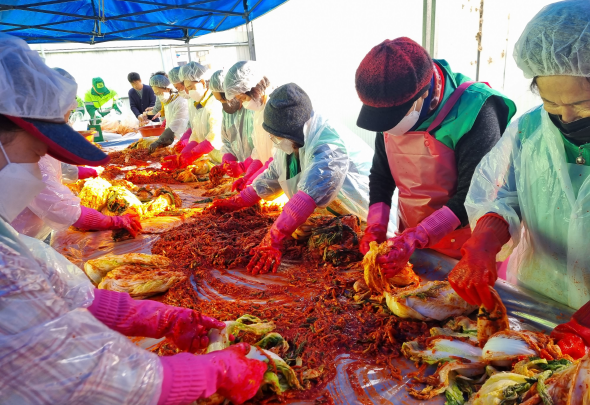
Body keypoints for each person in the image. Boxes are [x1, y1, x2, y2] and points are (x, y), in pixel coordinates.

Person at [0, 33, 266, 405]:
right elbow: (97, 379)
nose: (39, 170)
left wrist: (160, 319)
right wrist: (213, 372)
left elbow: (67, 294)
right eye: (35, 153)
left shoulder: (8, 241)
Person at [442, 0, 590, 359]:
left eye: (584, 105)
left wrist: (583, 326)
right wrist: (485, 240)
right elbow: (503, 194)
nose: (566, 117)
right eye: (553, 105)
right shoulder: (529, 130)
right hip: (536, 295)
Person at [354, 37, 516, 276]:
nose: (387, 129)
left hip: (468, 250)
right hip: (410, 246)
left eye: (393, 119)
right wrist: (375, 226)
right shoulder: (389, 107)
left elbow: (475, 195)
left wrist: (418, 236)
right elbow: (381, 176)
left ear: (423, 94)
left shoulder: (476, 110)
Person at [211, 83, 373, 275]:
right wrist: (239, 200)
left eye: (276, 137)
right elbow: (273, 174)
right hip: (334, 219)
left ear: (292, 131)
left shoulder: (327, 144)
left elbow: (309, 193)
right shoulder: (293, 141)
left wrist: (274, 239)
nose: (275, 142)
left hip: (366, 219)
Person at [223, 61, 276, 191]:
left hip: (281, 181)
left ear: (256, 89)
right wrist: (246, 175)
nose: (242, 103)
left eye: (243, 98)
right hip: (270, 180)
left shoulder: (276, 110)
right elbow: (259, 153)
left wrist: (254, 182)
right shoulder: (258, 112)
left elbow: (278, 160)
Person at [162, 62, 223, 169]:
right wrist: (185, 152)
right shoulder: (199, 103)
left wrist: (193, 153)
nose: (187, 91)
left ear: (203, 82)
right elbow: (196, 132)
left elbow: (214, 136)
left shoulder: (214, 102)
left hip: (223, 157)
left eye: (190, 87)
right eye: (185, 88)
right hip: (212, 158)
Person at [208, 69, 256, 181]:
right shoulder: (227, 112)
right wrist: (227, 162)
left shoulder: (253, 110)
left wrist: (244, 166)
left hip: (263, 175)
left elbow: (264, 149)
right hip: (245, 177)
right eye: (219, 101)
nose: (223, 103)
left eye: (224, 99)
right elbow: (227, 141)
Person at [148, 74, 189, 152]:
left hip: (186, 139)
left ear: (167, 89)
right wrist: (166, 140)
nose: (158, 96)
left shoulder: (181, 101)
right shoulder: (168, 102)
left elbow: (175, 125)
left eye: (159, 93)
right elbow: (169, 125)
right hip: (178, 139)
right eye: (156, 94)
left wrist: (159, 141)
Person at [168, 66, 193, 153]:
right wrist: (185, 139)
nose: (184, 90)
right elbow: (193, 125)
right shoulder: (191, 99)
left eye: (178, 88)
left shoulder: (209, 101)